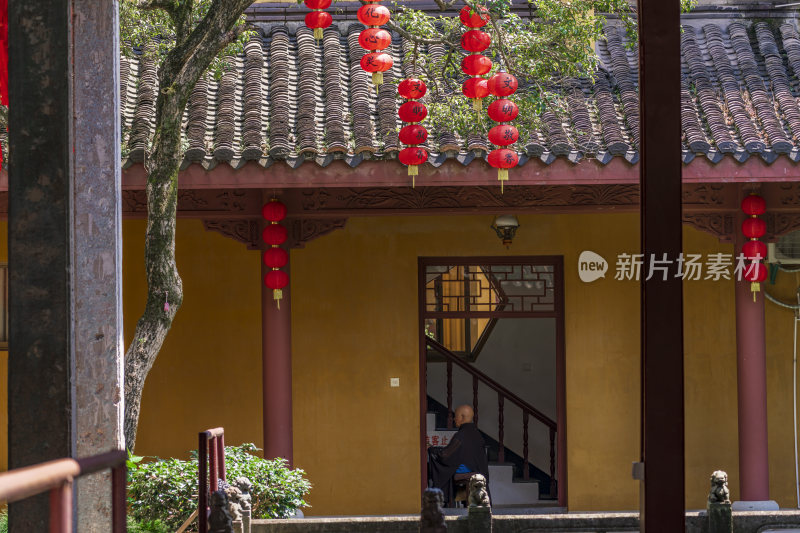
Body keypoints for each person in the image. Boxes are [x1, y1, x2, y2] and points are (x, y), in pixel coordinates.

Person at [427, 404, 489, 506]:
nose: (454, 419)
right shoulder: (477, 434)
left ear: (462, 417)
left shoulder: (461, 435)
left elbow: (445, 455)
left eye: (455, 416)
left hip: (466, 470)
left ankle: (440, 501)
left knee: (439, 469)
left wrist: (431, 449)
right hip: (478, 470)